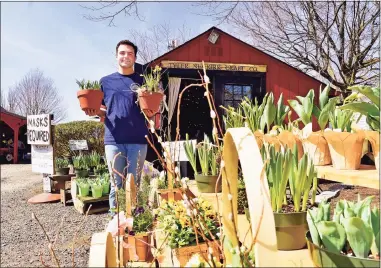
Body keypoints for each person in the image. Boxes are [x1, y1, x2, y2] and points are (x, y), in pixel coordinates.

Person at [85, 40, 148, 216]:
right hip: (114, 140)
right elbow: (104, 109)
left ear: (135, 57)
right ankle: (116, 221)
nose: (125, 56)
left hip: (138, 139)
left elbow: (152, 107)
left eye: (129, 53)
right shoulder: (106, 82)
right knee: (116, 184)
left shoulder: (143, 81)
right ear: (116, 56)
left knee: (134, 182)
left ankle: (136, 220)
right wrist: (94, 111)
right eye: (122, 53)